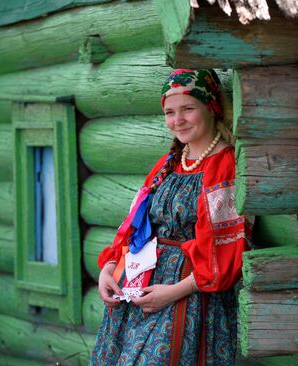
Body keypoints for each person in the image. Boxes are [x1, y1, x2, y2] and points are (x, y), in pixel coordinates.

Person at [90, 69, 251, 365]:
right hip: (139, 289)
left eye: (188, 109)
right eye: (169, 112)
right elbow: (135, 224)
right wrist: (110, 268)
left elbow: (226, 253)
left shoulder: (225, 166)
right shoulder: (169, 164)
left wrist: (172, 293)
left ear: (212, 107)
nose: (178, 120)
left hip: (187, 297)